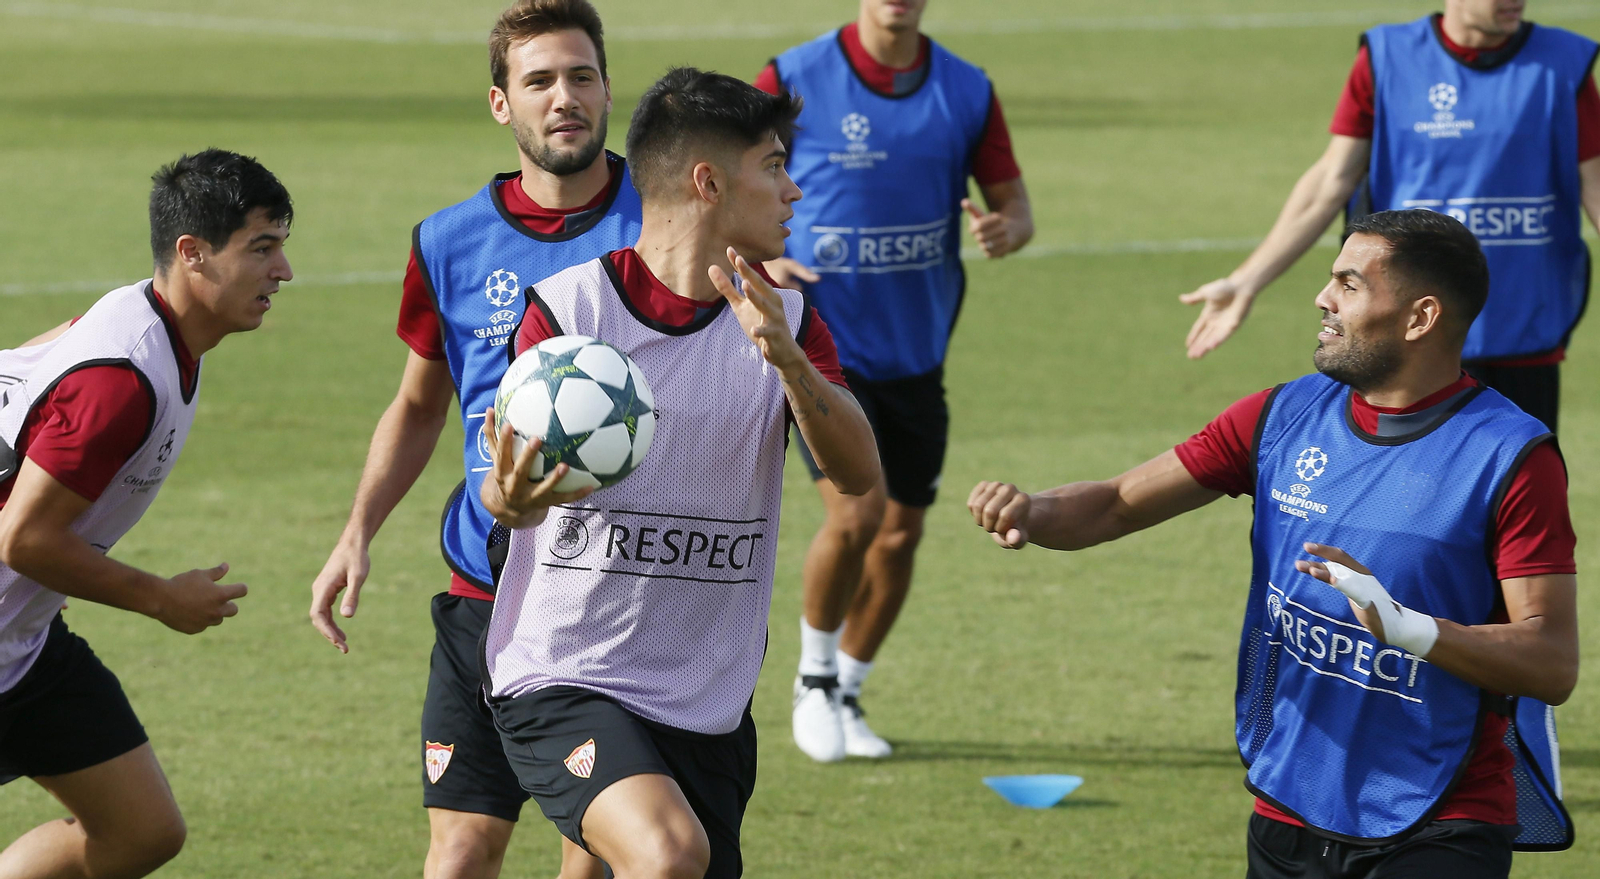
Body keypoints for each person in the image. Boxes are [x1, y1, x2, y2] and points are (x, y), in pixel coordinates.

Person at [974, 209, 1578, 875]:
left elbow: (1550, 660)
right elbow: (1116, 503)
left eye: (1349, 284)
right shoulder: (1281, 417)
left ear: (1419, 317)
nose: (1323, 298)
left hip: (1442, 816)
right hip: (1290, 803)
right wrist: (1032, 510)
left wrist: (1409, 629)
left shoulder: (1509, 456)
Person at [479, 68, 879, 879]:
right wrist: (509, 498)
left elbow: (860, 472)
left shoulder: (789, 320)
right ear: (708, 182)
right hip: (564, 675)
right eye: (773, 166)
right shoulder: (568, 316)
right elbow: (505, 485)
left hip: (708, 703)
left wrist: (790, 365)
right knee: (667, 854)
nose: (795, 191)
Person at [305, 2, 636, 876]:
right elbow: (418, 405)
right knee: (457, 853)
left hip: (610, 600)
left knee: (594, 850)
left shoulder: (667, 223)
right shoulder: (449, 241)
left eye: (581, 76)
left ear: (607, 89)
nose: (563, 97)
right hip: (483, 589)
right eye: (539, 82)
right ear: (502, 105)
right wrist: (357, 532)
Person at [753, 0, 1035, 763]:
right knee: (856, 516)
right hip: (823, 352)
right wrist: (764, 258)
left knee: (901, 532)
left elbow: (1015, 203)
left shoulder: (966, 89)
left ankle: (847, 686)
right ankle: (811, 681)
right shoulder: (794, 77)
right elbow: (732, 189)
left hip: (918, 353)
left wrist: (1008, 227)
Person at [0, 149, 288, 878]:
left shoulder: (140, 317)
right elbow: (24, 539)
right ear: (193, 254)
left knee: (141, 829)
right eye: (262, 249)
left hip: (23, 645)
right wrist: (162, 597)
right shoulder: (122, 380)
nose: (282, 272)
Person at [1181, 0, 1600, 434]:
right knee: (1401, 488)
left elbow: (1597, 185)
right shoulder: (1388, 59)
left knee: (1516, 485)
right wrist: (1246, 280)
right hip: (1407, 331)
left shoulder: (1563, 66)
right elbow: (1331, 179)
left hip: (1519, 327)